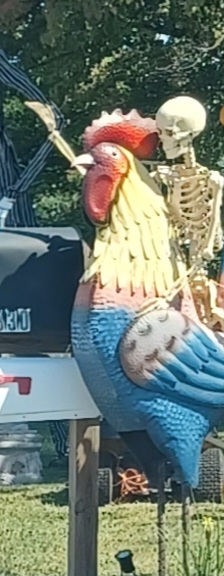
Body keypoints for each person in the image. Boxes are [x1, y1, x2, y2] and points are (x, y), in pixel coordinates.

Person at [0, 49, 69, 460]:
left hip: (12, 219)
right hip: (12, 206)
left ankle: (66, 440)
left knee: (37, 326)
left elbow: (53, 120)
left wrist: (17, 188)